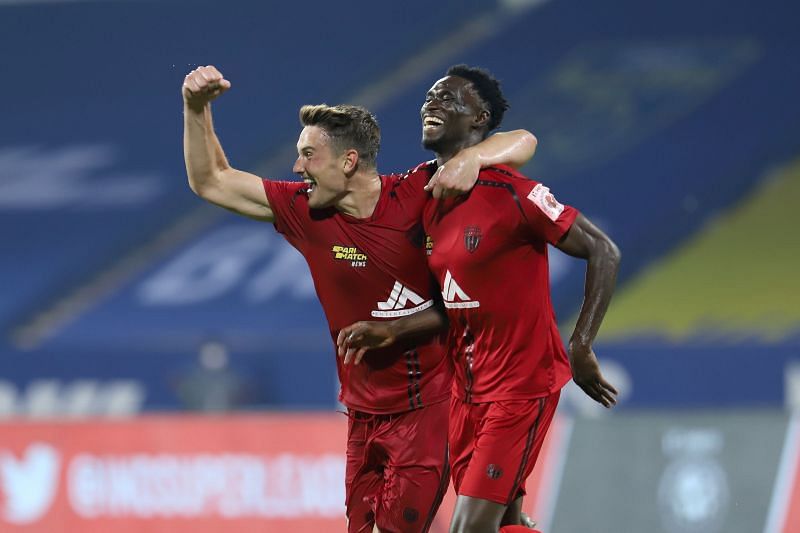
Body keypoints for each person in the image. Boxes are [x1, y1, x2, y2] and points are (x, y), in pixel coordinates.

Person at [181, 65, 537, 533]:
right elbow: (212, 181)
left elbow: (524, 140)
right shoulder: (307, 212)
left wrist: (473, 159)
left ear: (347, 161)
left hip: (428, 411)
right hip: (361, 418)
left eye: (308, 155)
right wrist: (196, 107)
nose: (297, 168)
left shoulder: (419, 194)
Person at [337, 64, 621, 533]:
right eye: (429, 97)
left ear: (478, 118)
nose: (431, 104)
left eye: (448, 99)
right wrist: (392, 329)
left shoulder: (514, 194)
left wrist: (581, 344)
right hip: (466, 392)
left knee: (469, 527)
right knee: (507, 519)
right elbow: (452, 305)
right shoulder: (428, 198)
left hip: (520, 387)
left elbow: (603, 250)